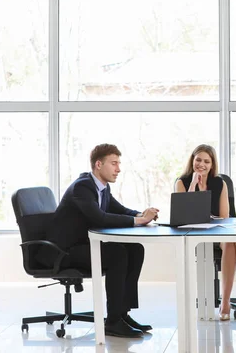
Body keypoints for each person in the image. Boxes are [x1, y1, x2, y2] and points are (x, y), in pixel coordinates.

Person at [39, 144, 159, 338]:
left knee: (135, 249)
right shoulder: (83, 187)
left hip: (80, 246)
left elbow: (117, 209)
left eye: (119, 163)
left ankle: (122, 314)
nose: (118, 169)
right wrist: (139, 221)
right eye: (114, 163)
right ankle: (112, 322)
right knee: (117, 254)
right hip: (62, 251)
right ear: (98, 164)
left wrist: (140, 214)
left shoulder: (102, 187)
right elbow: (100, 218)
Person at [175, 144, 236, 321]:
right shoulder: (182, 182)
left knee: (234, 240)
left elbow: (224, 216)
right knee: (233, 243)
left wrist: (206, 206)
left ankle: (226, 302)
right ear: (192, 160)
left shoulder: (220, 183)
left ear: (212, 164)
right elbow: (184, 213)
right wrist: (195, 184)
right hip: (195, 234)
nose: (202, 164)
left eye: (207, 161)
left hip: (218, 230)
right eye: (198, 160)